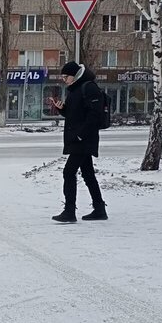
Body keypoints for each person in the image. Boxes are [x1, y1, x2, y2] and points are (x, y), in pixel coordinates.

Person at [49, 61, 108, 223]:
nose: (63, 79)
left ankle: (69, 211)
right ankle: (99, 209)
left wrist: (81, 135)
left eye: (65, 76)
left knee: (68, 172)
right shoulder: (75, 90)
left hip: (83, 140)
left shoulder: (89, 87)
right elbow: (74, 114)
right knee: (88, 174)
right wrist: (62, 109)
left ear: (75, 75)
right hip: (78, 138)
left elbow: (94, 115)